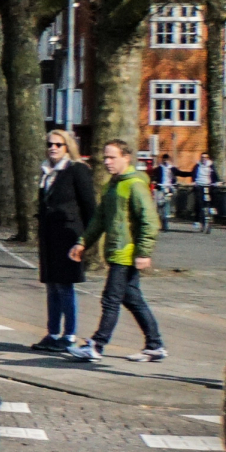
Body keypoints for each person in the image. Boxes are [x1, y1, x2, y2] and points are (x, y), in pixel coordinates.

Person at [69, 139, 165, 362]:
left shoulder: (134, 185)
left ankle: (96, 345)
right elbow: (100, 219)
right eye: (105, 157)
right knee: (132, 299)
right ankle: (155, 345)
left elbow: (150, 221)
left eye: (112, 157)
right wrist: (83, 242)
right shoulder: (112, 185)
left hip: (126, 252)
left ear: (126, 158)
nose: (107, 162)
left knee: (110, 299)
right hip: (117, 251)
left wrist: (144, 252)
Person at [33, 130, 98, 353]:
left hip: (68, 235)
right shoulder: (47, 172)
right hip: (50, 236)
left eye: (58, 145)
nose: (53, 148)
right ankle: (52, 333)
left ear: (67, 147)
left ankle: (69, 335)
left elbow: (89, 206)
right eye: (50, 144)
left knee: (65, 286)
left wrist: (86, 240)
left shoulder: (76, 170)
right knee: (52, 285)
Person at [191, 155, 217, 233]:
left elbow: (215, 175)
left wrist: (217, 182)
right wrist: (193, 182)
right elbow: (193, 175)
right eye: (202, 157)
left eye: (205, 157)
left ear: (208, 158)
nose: (204, 159)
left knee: (214, 193)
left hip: (208, 184)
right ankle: (198, 221)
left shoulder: (211, 166)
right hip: (199, 185)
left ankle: (213, 207)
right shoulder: (197, 166)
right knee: (198, 202)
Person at [154, 156, 177, 231]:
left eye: (167, 160)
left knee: (170, 199)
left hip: (169, 187)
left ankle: (171, 211)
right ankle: (160, 215)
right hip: (161, 187)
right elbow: (154, 176)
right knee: (160, 203)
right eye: (164, 160)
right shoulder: (159, 168)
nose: (165, 162)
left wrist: (191, 174)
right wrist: (154, 181)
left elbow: (180, 173)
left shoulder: (172, 168)